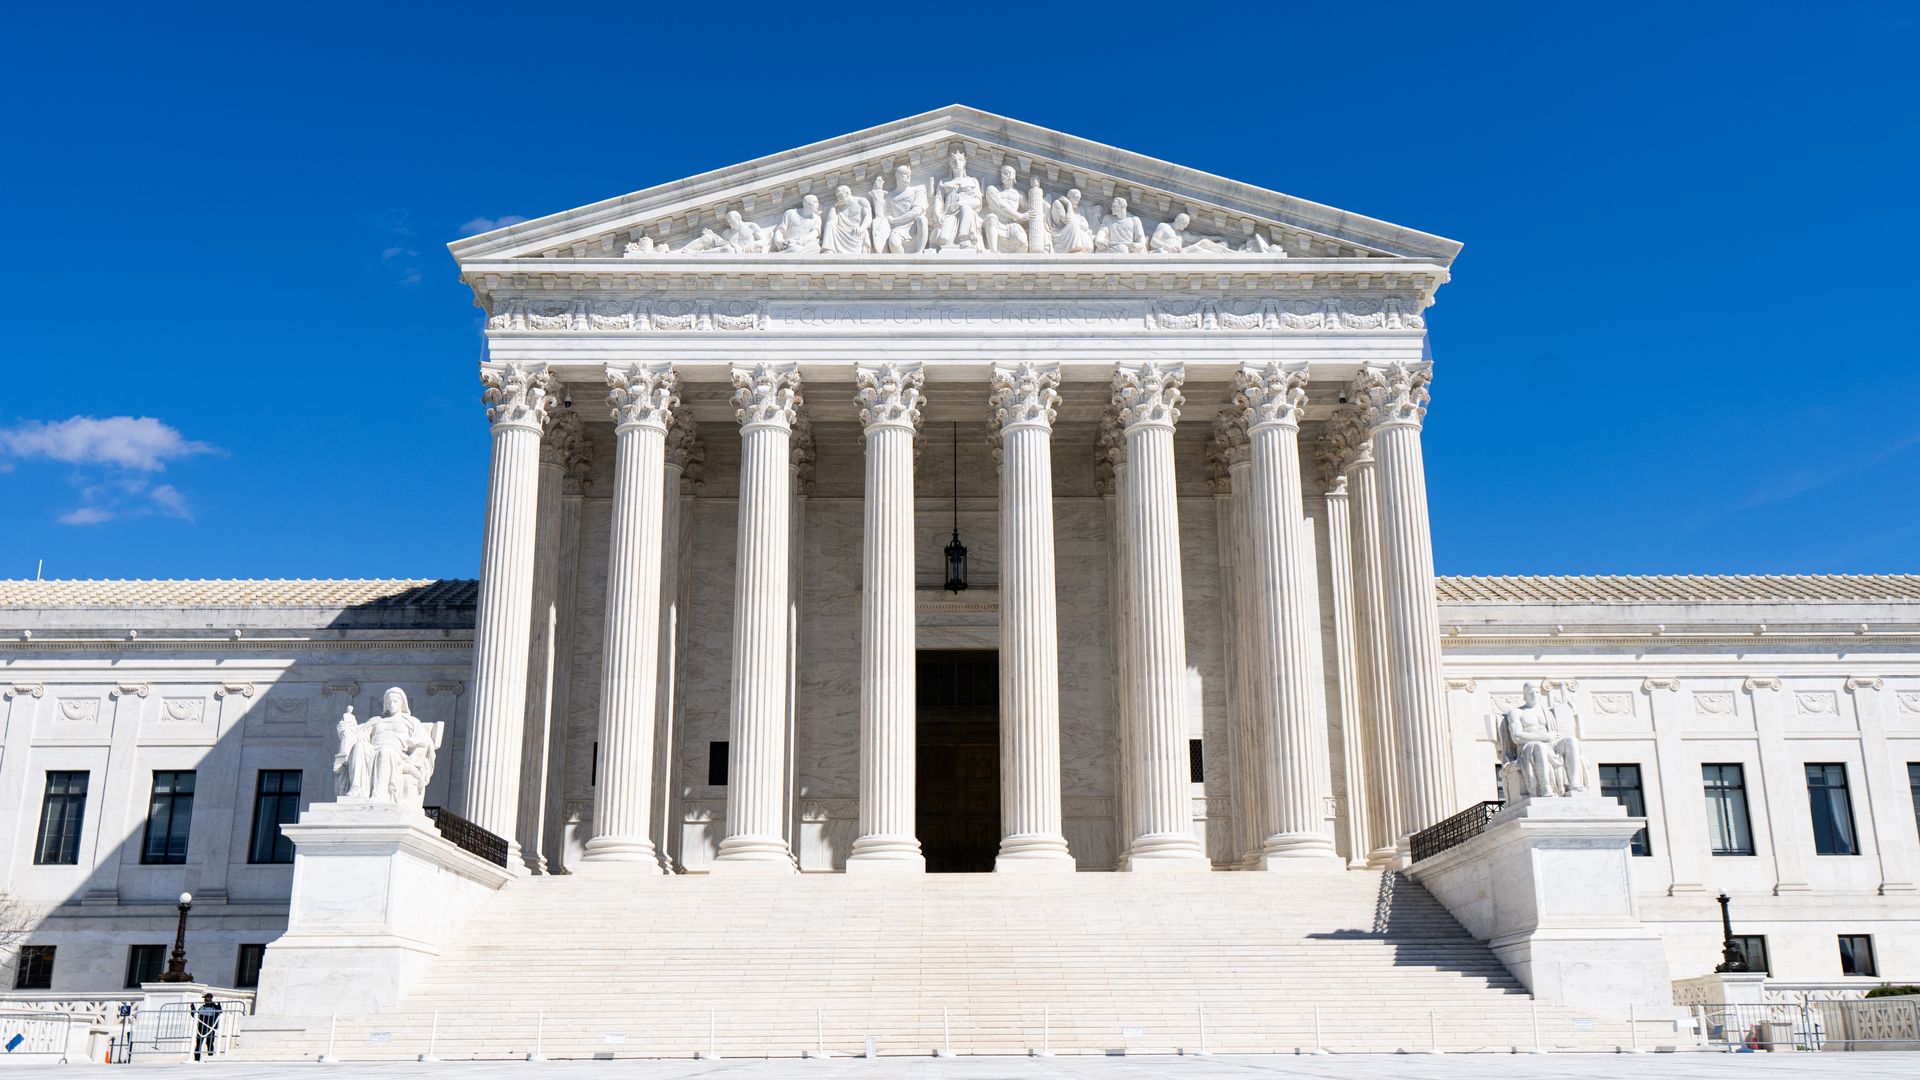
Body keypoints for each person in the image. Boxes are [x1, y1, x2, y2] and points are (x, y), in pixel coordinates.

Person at [193, 993, 222, 1060]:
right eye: (205, 998)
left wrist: (219, 1008)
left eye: (207, 998)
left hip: (210, 1028)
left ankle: (210, 1057)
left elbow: (219, 1014)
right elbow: (196, 1016)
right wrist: (193, 1009)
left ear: (210, 998)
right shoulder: (202, 1007)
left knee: (209, 1043)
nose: (205, 999)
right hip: (201, 1028)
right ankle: (197, 1058)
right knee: (199, 1044)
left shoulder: (215, 1007)